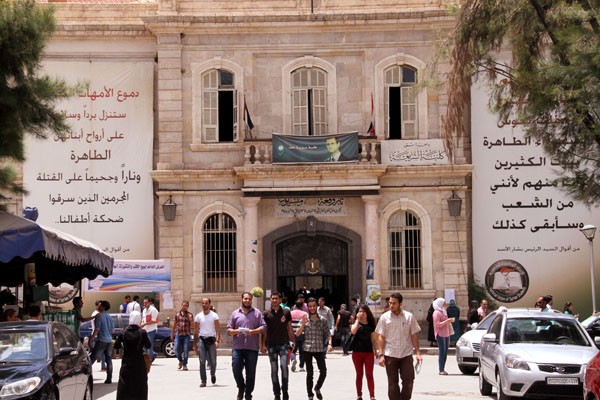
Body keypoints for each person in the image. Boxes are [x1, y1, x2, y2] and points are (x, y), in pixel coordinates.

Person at [375, 292, 422, 400]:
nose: (391, 305)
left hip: (406, 354)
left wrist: (418, 353)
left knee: (409, 381)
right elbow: (381, 337)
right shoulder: (384, 317)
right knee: (392, 383)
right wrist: (381, 355)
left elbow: (414, 335)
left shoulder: (409, 317)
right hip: (390, 354)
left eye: (394, 303)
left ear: (400, 304)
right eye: (390, 303)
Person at [227, 291, 265, 400]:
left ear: (251, 300)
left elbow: (263, 327)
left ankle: (248, 394)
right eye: (245, 299)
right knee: (236, 369)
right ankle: (241, 387)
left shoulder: (257, 313)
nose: (247, 301)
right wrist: (236, 331)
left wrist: (253, 332)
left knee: (251, 373)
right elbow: (229, 330)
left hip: (252, 348)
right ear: (241, 299)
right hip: (237, 348)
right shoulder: (235, 313)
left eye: (249, 299)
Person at [295, 297, 332, 400]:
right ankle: (310, 395)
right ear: (308, 307)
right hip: (307, 349)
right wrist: (303, 324)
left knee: (323, 371)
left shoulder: (322, 320)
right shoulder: (305, 319)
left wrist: (330, 344)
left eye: (314, 306)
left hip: (319, 349)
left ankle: (317, 387)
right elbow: (297, 334)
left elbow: (328, 333)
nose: (312, 308)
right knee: (310, 373)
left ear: (317, 306)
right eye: (310, 306)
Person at [262, 292, 295, 400]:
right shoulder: (266, 314)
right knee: (274, 370)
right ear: (270, 300)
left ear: (280, 300)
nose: (274, 300)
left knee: (284, 366)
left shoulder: (286, 312)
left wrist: (293, 340)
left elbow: (289, 327)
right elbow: (264, 330)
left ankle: (285, 390)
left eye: (276, 298)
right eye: (273, 298)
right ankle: (276, 393)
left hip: (283, 344)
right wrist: (263, 344)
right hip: (271, 345)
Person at [114, 310, 150, 400]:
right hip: (139, 362)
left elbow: (116, 346)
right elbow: (148, 345)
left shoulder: (123, 332)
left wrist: (123, 344)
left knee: (125, 383)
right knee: (140, 384)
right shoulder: (142, 333)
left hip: (127, 362)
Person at [350, 304, 378, 400]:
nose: (362, 313)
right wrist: (357, 320)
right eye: (360, 311)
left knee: (369, 374)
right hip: (357, 352)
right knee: (359, 374)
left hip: (369, 352)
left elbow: (373, 339)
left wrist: (376, 350)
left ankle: (372, 396)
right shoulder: (356, 323)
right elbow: (353, 331)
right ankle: (359, 395)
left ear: (367, 313)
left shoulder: (371, 324)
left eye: (363, 311)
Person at [194, 297, 222, 387]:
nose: (204, 305)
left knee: (213, 361)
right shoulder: (198, 316)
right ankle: (203, 380)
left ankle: (213, 374)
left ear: (209, 304)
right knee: (202, 361)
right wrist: (195, 344)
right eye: (203, 303)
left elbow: (217, 329)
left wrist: (217, 340)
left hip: (211, 339)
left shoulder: (214, 316)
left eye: (206, 303)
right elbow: (196, 331)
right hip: (202, 339)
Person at [90, 300, 115, 384]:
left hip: (101, 340)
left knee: (92, 358)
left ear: (103, 307)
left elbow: (97, 329)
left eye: (100, 305)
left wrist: (91, 339)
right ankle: (109, 378)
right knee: (109, 359)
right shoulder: (110, 317)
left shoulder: (99, 316)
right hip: (109, 340)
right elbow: (112, 330)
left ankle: (85, 375)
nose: (98, 306)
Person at [432, 298, 454, 375]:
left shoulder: (444, 311)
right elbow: (437, 324)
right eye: (443, 303)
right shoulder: (436, 313)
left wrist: (450, 320)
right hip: (440, 334)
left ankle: (443, 368)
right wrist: (447, 321)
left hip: (446, 334)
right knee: (442, 352)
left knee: (445, 352)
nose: (445, 304)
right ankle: (441, 369)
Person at [171, 300, 193, 371]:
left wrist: (191, 320)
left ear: (188, 306)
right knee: (176, 349)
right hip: (178, 334)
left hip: (186, 335)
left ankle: (184, 364)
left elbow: (193, 325)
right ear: (181, 305)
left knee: (186, 350)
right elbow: (174, 325)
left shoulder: (190, 315)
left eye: (186, 306)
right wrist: (172, 334)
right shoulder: (177, 314)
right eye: (183, 305)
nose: (184, 307)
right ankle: (180, 360)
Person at [291, 301, 308, 372]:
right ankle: (301, 366)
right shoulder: (305, 314)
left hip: (293, 334)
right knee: (302, 351)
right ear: (302, 306)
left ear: (295, 306)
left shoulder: (290, 313)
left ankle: (293, 359)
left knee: (292, 350)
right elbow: (306, 324)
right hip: (302, 334)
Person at [140, 297, 159, 362]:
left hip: (151, 330)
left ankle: (149, 360)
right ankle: (152, 354)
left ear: (149, 303)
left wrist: (144, 324)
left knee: (149, 345)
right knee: (144, 345)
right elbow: (143, 319)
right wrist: (141, 325)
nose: (144, 304)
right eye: (144, 303)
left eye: (146, 302)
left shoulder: (153, 310)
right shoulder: (144, 310)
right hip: (145, 330)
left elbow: (153, 320)